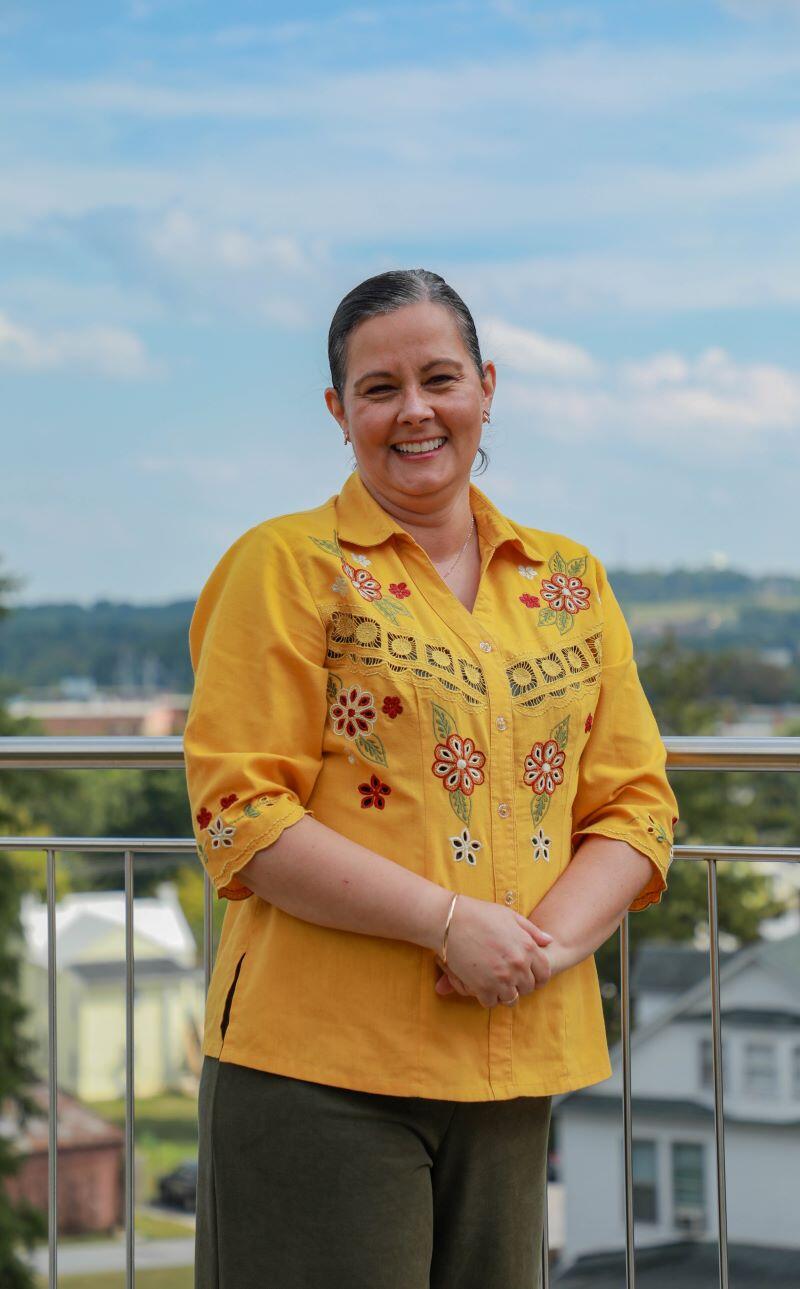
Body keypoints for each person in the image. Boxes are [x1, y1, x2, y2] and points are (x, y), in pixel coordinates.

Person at [182, 268, 679, 1289]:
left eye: (439, 376)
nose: (413, 410)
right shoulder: (285, 566)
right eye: (377, 387)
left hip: (512, 1057)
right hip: (318, 1066)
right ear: (338, 411)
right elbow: (241, 813)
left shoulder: (568, 581)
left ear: (486, 386)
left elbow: (635, 804)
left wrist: (538, 953)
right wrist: (448, 922)